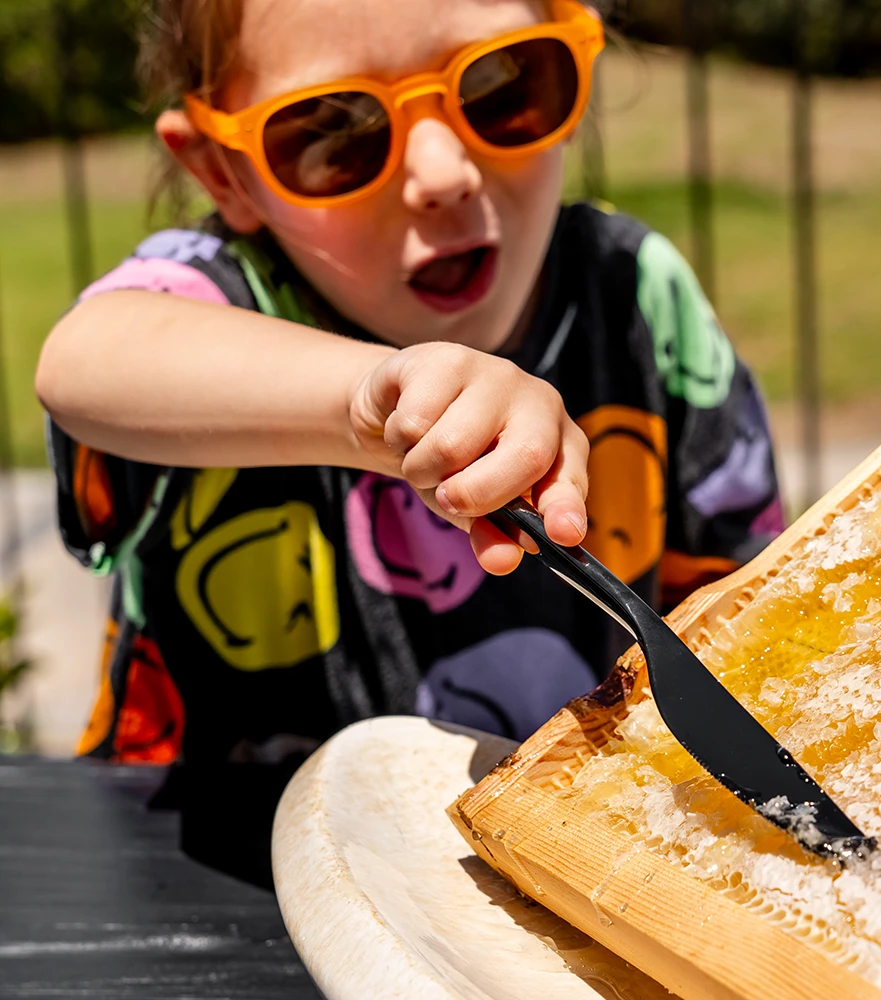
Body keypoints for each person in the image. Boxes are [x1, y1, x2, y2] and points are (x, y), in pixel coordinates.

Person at [35, 0, 783, 883]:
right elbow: (85, 360)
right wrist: (363, 400)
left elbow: (747, 613)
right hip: (219, 882)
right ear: (223, 172)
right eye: (335, 132)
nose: (443, 173)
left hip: (581, 870)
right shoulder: (218, 300)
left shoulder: (633, 292)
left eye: (502, 84)